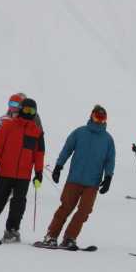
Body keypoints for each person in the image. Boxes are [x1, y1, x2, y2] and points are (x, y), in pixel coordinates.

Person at [39, 105, 115, 248]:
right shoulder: (80, 133)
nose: (99, 121)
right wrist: (58, 167)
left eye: (102, 118)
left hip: (92, 183)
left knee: (84, 211)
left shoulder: (108, 139)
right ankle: (51, 236)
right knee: (65, 208)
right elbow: (67, 149)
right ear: (91, 116)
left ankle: (69, 238)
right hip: (74, 179)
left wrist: (108, 177)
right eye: (97, 117)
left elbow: (110, 160)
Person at [0, 98, 45, 242]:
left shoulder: (37, 133)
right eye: (26, 110)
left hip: (24, 176)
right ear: (20, 110)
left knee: (18, 205)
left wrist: (38, 173)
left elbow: (39, 154)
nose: (28, 113)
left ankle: (11, 231)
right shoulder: (8, 126)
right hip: (5, 172)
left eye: (31, 111)